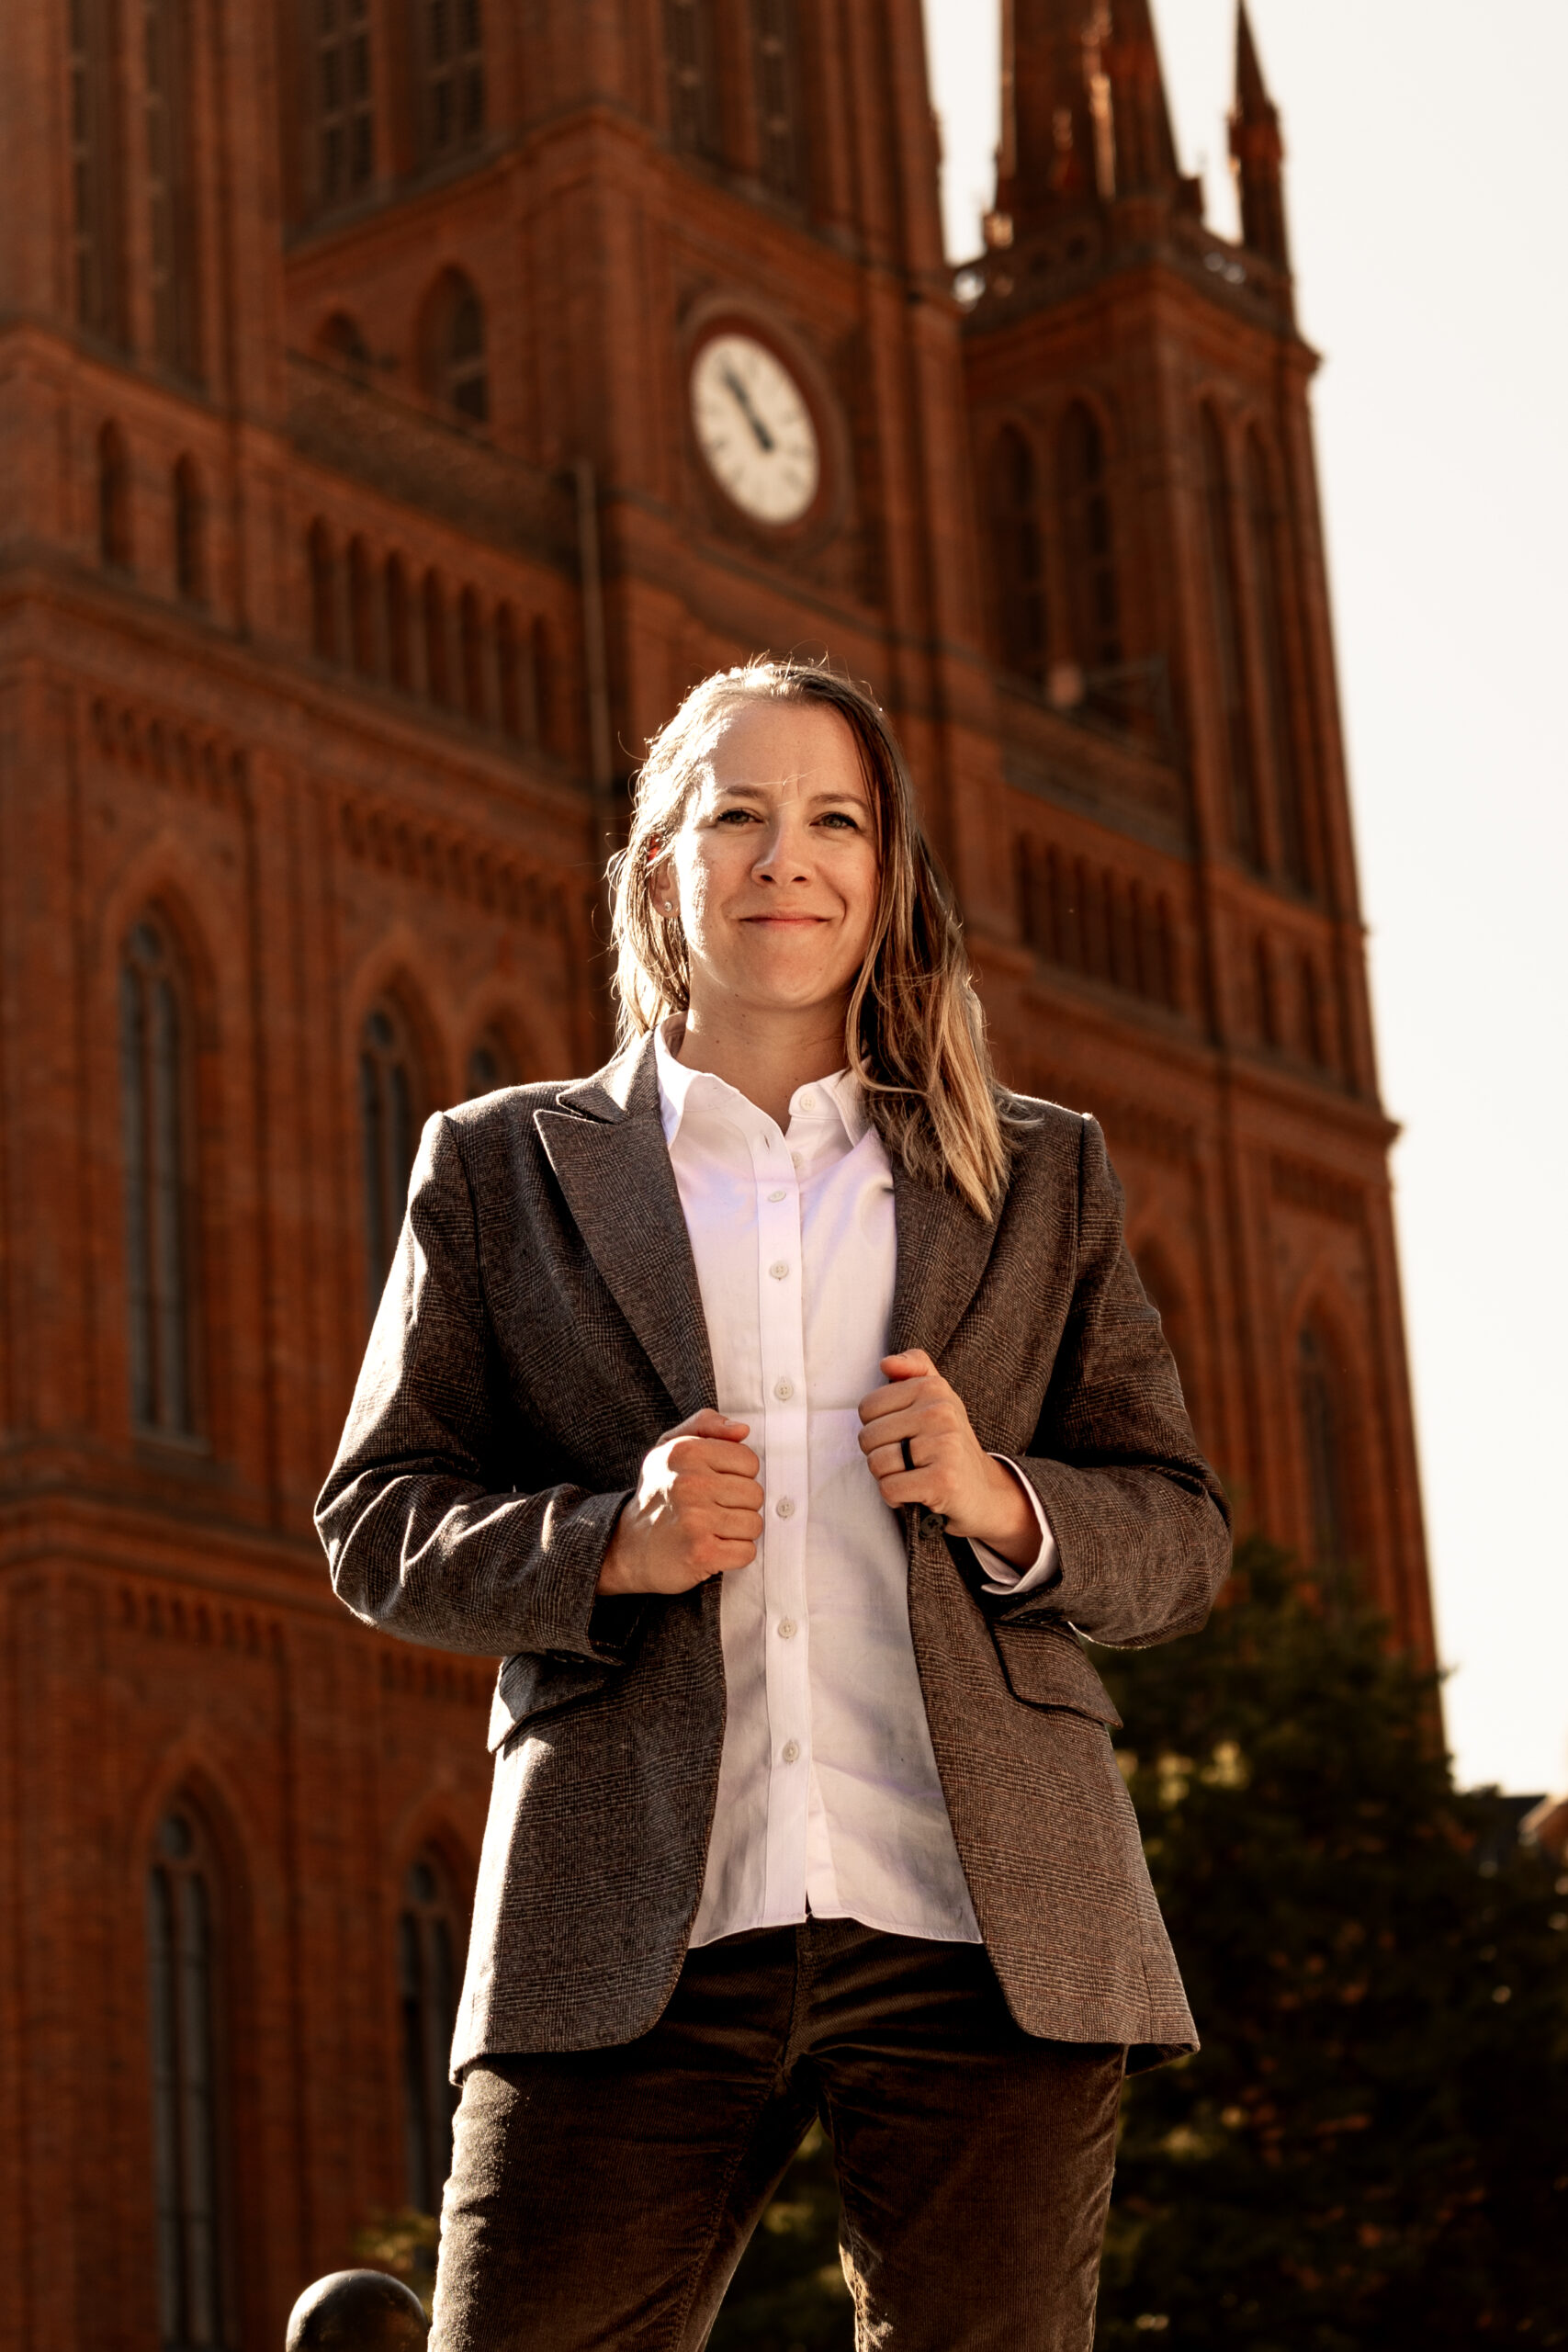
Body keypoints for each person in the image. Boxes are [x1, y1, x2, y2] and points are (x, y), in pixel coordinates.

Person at [317, 658, 1231, 2351]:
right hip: (624, 1931)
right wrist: (614, 1541)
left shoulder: (1038, 1173)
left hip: (989, 1933)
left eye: (832, 820)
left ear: (886, 875)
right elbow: (376, 1518)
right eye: (734, 815)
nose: (781, 859)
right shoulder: (501, 1165)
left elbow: (1181, 1530)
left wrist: (1000, 1497)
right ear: (660, 859)